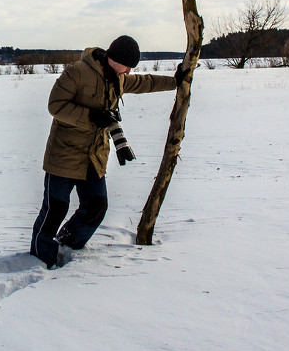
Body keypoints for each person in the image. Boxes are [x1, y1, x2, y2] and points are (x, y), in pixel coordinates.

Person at [30, 35, 185, 268]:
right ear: (114, 58)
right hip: (64, 154)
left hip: (94, 156)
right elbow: (56, 105)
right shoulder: (77, 72)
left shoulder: (119, 78)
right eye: (128, 66)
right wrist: (91, 117)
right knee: (55, 209)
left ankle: (67, 245)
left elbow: (146, 82)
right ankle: (40, 257)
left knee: (96, 207)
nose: (130, 72)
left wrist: (176, 81)